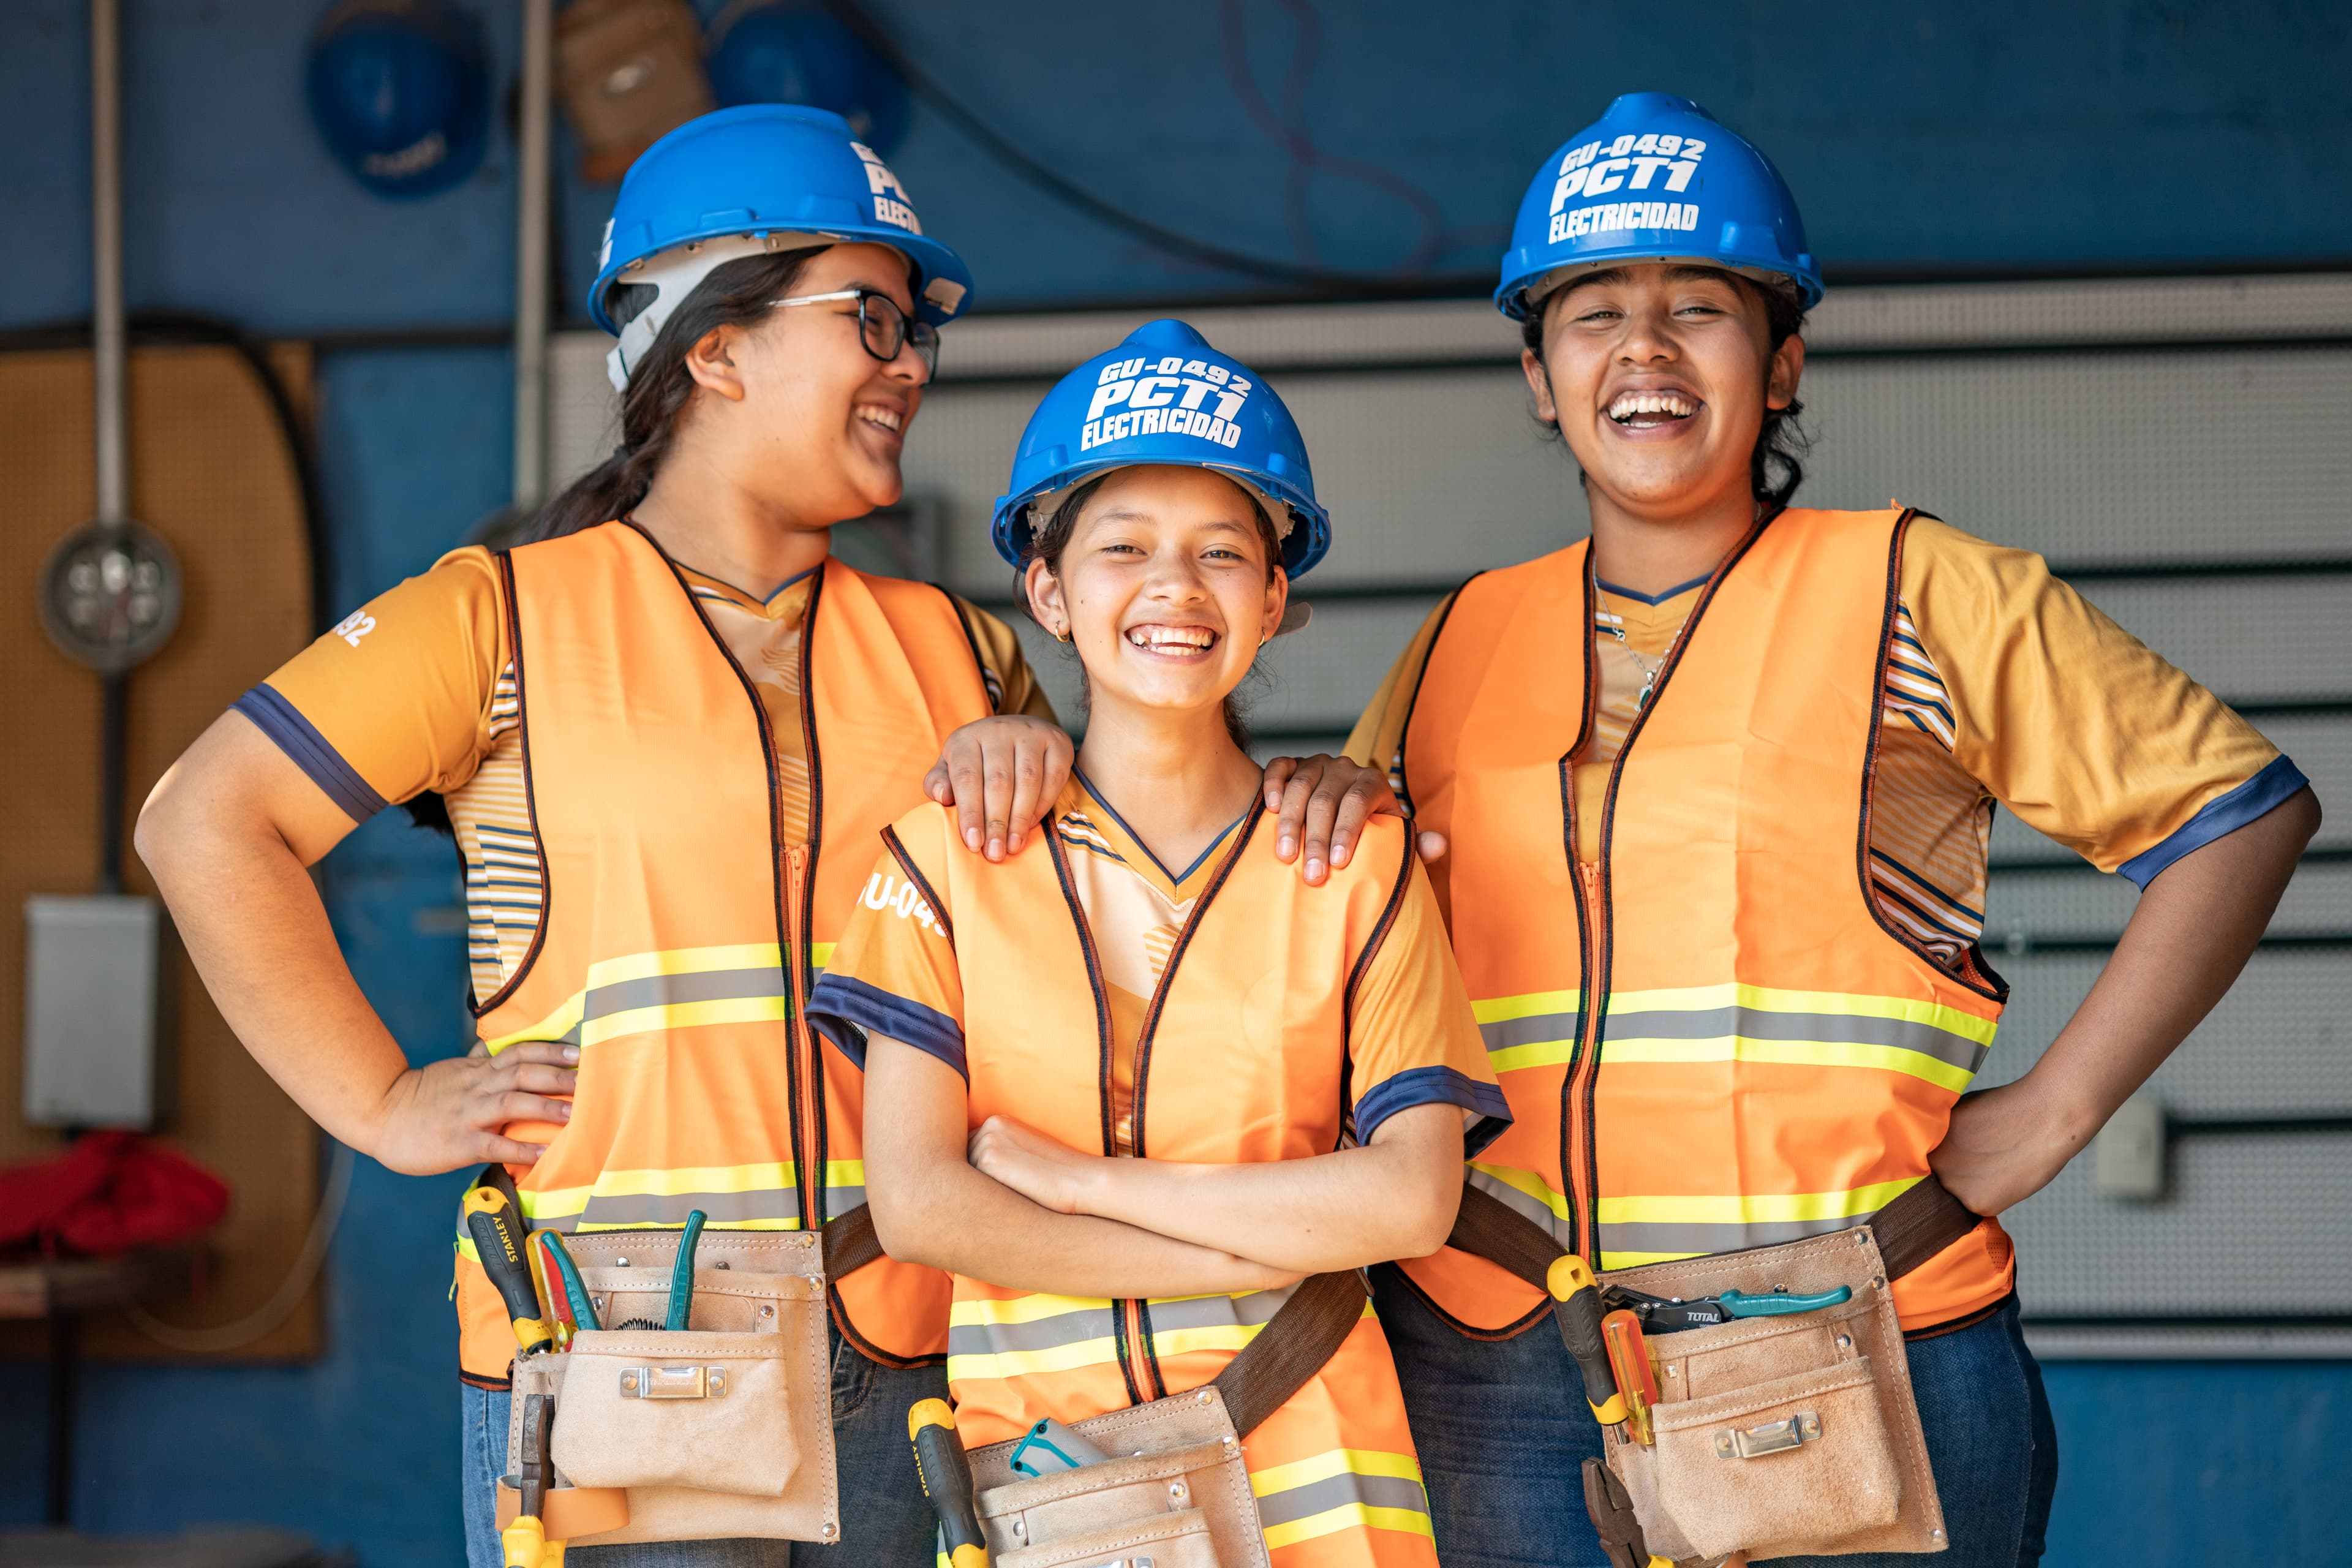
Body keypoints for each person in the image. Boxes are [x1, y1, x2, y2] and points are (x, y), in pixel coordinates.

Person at [1330, 94, 2318, 1568]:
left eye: (1702, 309)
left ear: (1781, 361)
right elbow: (1317, 925)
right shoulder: (1459, 638)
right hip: (1499, 1353)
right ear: (1541, 375)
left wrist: (2052, 1116)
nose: (1645, 350)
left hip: (1844, 1333)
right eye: (1593, 313)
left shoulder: (1925, 592)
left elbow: (2240, 815)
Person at [136, 105, 1050, 1565]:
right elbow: (203, 819)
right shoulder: (494, 616)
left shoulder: (965, 651)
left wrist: (1060, 751)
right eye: (874, 316)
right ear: (715, 347)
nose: (911, 366)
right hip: (620, 1343)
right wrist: (382, 1102)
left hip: (925, 1340)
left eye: (918, 331)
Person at [809, 321, 1511, 1568]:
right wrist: (1270, 1230)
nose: (1175, 589)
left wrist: (1086, 1183)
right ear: (1049, 593)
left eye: (1223, 555)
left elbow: (1412, 1196)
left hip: (1326, 1472)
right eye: (1123, 548)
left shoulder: (1355, 857)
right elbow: (922, 1202)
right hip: (1051, 1475)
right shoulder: (941, 854)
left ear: (1276, 598)